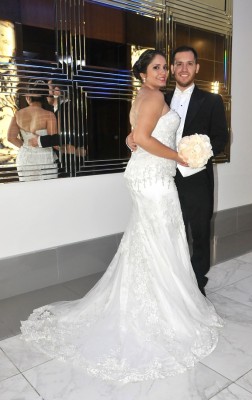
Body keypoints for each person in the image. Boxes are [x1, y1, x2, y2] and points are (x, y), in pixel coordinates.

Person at [21, 50, 222, 383]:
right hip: (153, 179)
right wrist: (179, 156)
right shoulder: (155, 94)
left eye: (163, 68)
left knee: (151, 239)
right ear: (143, 73)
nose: (163, 72)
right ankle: (162, 311)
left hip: (150, 175)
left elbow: (135, 137)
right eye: (156, 68)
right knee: (160, 238)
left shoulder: (145, 95)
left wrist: (142, 143)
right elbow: (143, 137)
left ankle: (158, 300)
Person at [127, 46, 228, 296]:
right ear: (172, 68)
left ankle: (196, 282)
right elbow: (143, 130)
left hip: (197, 176)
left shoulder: (212, 101)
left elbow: (220, 138)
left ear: (197, 68)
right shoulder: (159, 94)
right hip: (165, 176)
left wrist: (199, 153)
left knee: (200, 230)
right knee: (171, 232)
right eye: (178, 64)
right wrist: (130, 138)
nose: (183, 68)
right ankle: (174, 283)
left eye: (189, 63)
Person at [7, 80, 58, 181]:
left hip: (25, 158)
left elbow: (10, 138)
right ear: (44, 98)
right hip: (44, 157)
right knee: (48, 192)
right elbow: (53, 140)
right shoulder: (49, 115)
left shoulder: (18, 114)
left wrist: (26, 146)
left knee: (28, 193)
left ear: (28, 97)